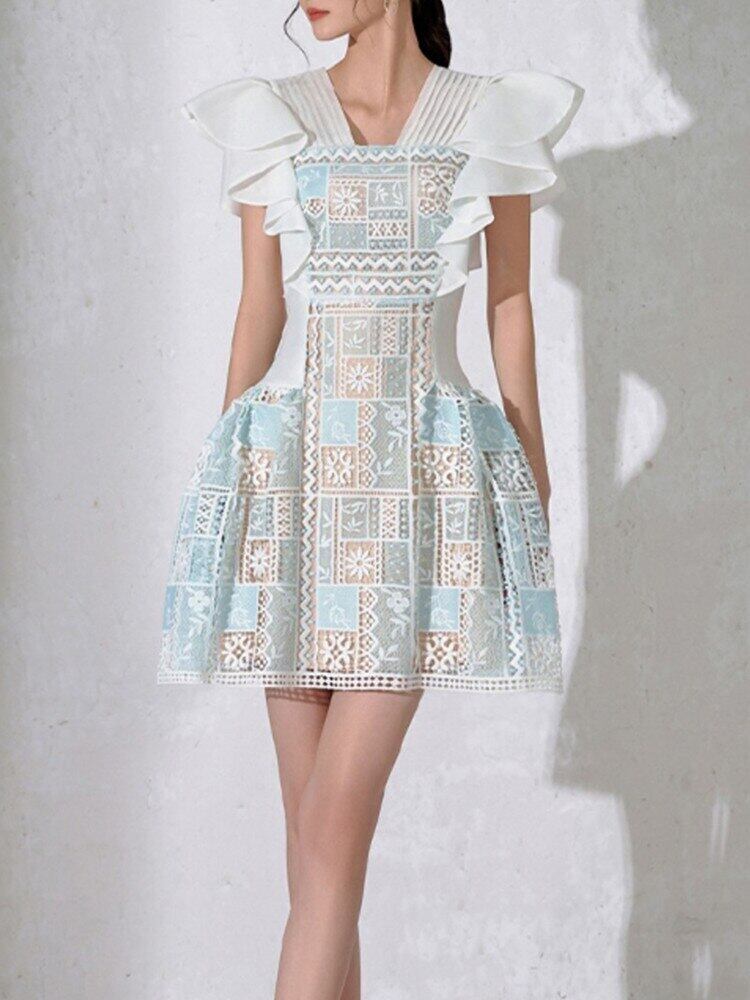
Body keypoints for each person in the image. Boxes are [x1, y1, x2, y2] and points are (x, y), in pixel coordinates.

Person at [158, 1, 583, 996]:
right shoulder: (273, 114)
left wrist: (531, 473)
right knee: (313, 848)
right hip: (288, 486)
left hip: (419, 494)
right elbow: (259, 307)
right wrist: (225, 481)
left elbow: (509, 303)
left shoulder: (487, 116)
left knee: (330, 834)